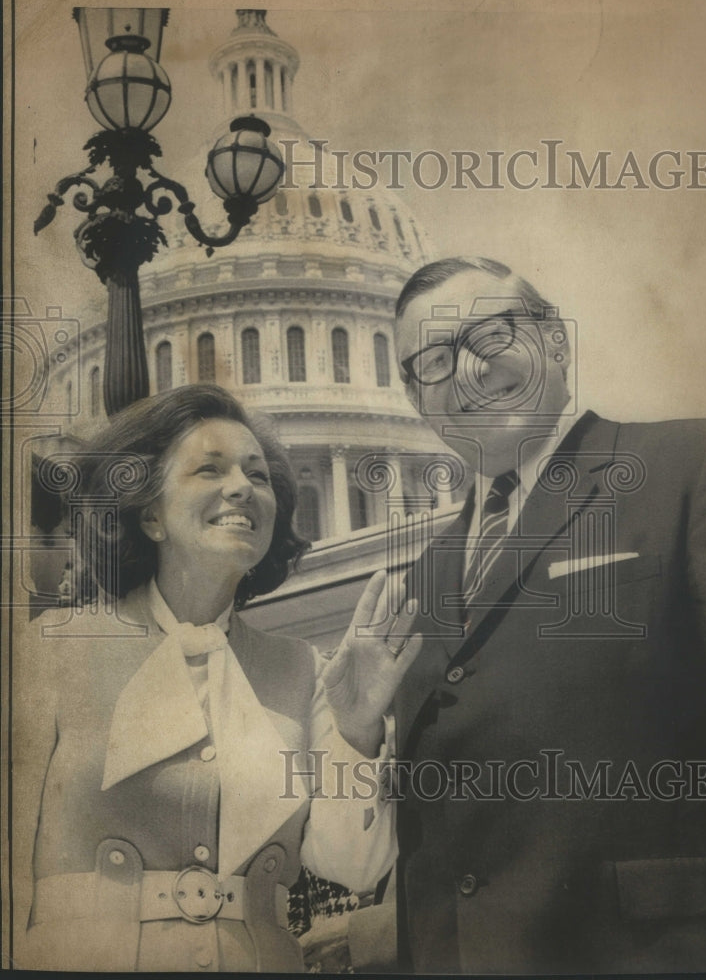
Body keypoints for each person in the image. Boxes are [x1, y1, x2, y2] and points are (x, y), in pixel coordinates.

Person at [390, 257, 706, 974]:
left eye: (489, 337)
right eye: (432, 360)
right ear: (415, 400)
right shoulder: (417, 583)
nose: (466, 373)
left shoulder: (694, 463)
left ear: (554, 340)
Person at [12, 384, 420, 972]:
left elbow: (353, 865)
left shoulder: (305, 670)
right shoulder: (49, 652)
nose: (241, 489)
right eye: (210, 469)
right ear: (149, 512)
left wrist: (356, 731)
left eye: (258, 476)